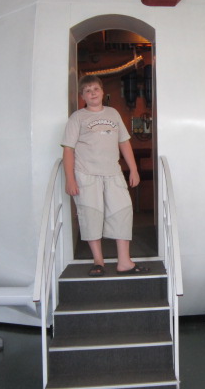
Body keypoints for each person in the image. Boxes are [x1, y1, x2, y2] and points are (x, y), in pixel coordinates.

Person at [61, 75, 149, 276]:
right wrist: (70, 179)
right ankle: (98, 261)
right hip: (86, 174)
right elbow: (68, 149)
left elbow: (124, 142)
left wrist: (133, 169)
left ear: (102, 92)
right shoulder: (77, 118)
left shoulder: (113, 113)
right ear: (82, 96)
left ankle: (124, 262)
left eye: (95, 89)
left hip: (113, 173)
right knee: (91, 214)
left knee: (122, 212)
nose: (92, 93)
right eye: (88, 91)